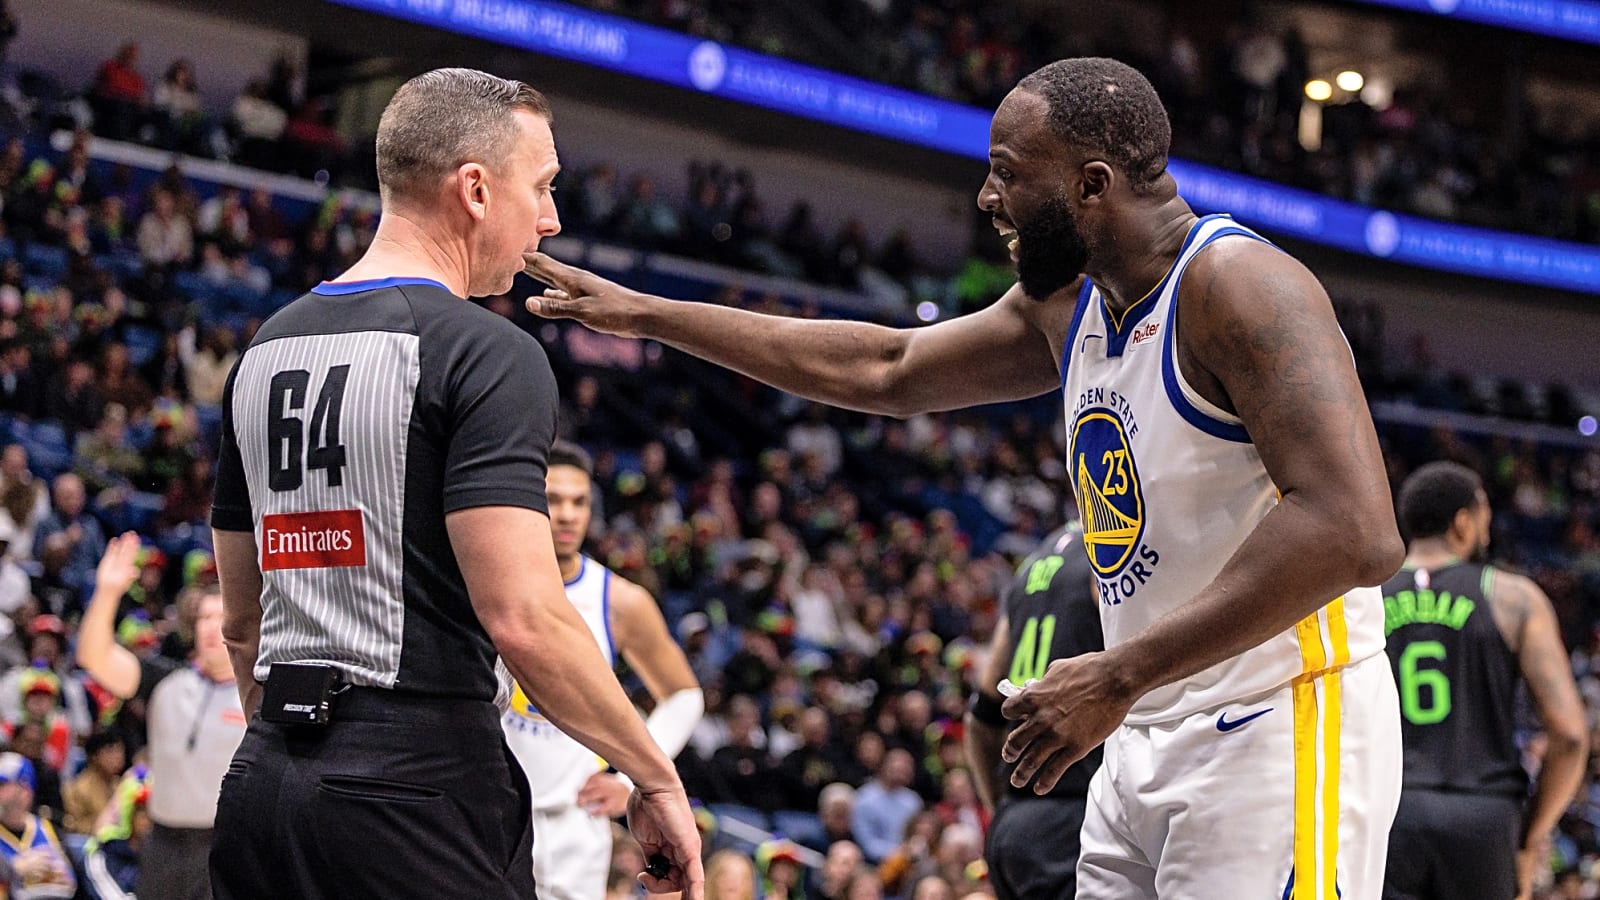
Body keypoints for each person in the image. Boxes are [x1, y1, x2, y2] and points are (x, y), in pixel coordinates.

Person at [525, 56, 1403, 898]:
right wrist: (651, 314)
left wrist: (1117, 673)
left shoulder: (1243, 288)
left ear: (1093, 185)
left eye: (1007, 172)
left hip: (1279, 724)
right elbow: (889, 367)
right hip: (1143, 730)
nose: (987, 198)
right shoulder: (1073, 305)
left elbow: (1355, 529)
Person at [206, 68, 702, 900]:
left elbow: (243, 623)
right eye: (542, 186)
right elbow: (526, 619)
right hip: (419, 787)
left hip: (263, 782)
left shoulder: (264, 348)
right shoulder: (487, 352)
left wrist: (305, 762)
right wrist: (654, 776)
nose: (551, 218)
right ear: (475, 188)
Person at [501, 441, 705, 900]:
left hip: (569, 824)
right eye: (554, 500)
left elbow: (685, 696)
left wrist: (628, 779)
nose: (568, 514)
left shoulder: (619, 601)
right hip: (487, 806)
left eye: (580, 501)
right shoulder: (490, 577)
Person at [1380, 462, 1587, 900]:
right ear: (1463, 522)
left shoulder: (1364, 599)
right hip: (1483, 816)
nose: (1488, 536)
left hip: (1388, 809)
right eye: (1485, 521)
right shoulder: (1513, 597)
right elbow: (1570, 735)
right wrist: (1531, 836)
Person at [77, 534, 244, 900]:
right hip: (163, 843)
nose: (210, 627)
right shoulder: (166, 681)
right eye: (203, 617)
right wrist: (107, 592)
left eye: (220, 617)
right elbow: (93, 656)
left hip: (228, 846)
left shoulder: (257, 692)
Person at [964, 524, 1100, 900]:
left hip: (1013, 825)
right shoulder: (1113, 546)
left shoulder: (1033, 564)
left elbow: (980, 717)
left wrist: (1002, 811)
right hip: (1076, 818)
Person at [0, 752, 75, 898]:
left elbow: (71, 881)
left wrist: (58, 876)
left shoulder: (49, 828)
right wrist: (15, 869)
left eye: (2, 784)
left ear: (25, 791)